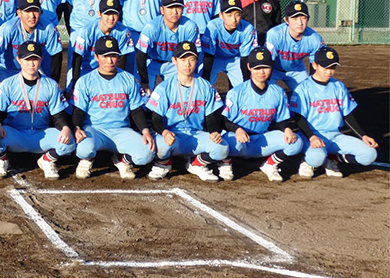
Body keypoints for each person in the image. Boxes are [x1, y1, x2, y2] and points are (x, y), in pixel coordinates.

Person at [0, 42, 76, 180]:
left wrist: (65, 128)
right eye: (27, 59)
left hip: (41, 133)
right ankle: (1, 160)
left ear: (41, 59)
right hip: (15, 133)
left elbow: (58, 115)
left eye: (35, 59)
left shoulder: (51, 85)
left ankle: (47, 160)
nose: (31, 63)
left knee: (69, 142)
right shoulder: (7, 84)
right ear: (19, 60)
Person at [71, 36, 155, 180]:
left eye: (113, 56)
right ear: (96, 57)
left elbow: (136, 110)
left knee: (146, 154)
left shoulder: (128, 79)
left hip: (121, 130)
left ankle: (122, 159)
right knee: (83, 149)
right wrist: (76, 127)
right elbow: (79, 111)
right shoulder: (85, 81)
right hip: (95, 129)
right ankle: (87, 160)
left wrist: (145, 130)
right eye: (105, 56)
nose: (110, 61)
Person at [289, 46, 378, 179]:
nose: (329, 72)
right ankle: (308, 161)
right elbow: (298, 117)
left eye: (332, 67)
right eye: (325, 67)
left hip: (336, 136)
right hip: (313, 136)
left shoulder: (338, 86)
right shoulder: (303, 88)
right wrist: (311, 136)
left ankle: (331, 158)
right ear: (315, 65)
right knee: (316, 158)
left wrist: (363, 136)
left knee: (369, 154)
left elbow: (346, 115)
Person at [146, 42, 228, 182]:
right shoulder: (164, 87)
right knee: (159, 147)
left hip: (195, 134)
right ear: (174, 61)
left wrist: (214, 132)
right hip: (173, 135)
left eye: (191, 59)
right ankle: (163, 164)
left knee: (223, 149)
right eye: (183, 60)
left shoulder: (206, 86)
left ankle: (196, 164)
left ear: (197, 60)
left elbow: (211, 118)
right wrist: (165, 132)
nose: (187, 64)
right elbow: (156, 120)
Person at [221, 48, 304, 182]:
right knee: (223, 143)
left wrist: (287, 128)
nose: (261, 72)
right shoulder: (236, 92)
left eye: (265, 67)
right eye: (257, 68)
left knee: (296, 142)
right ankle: (226, 163)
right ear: (249, 67)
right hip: (240, 140)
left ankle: (270, 164)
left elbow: (282, 118)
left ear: (271, 67)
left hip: (262, 140)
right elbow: (224, 119)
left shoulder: (278, 92)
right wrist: (237, 129)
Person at [0, 0, 63, 90]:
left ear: (40, 11)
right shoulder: (8, 28)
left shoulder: (48, 28)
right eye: (27, 11)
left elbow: (56, 55)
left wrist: (54, 83)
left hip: (34, 70)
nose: (32, 16)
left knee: (48, 92)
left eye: (35, 11)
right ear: (19, 12)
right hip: (8, 70)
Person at [136, 0, 201, 92]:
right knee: (144, 96)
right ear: (162, 10)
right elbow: (141, 55)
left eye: (178, 7)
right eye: (170, 8)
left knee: (178, 93)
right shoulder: (151, 27)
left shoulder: (190, 27)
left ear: (183, 9)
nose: (174, 12)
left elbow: (194, 55)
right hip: (151, 62)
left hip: (174, 64)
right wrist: (145, 82)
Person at [70, 0, 134, 85]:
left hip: (110, 70)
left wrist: (118, 81)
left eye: (114, 14)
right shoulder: (86, 31)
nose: (111, 18)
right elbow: (77, 57)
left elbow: (122, 59)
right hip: (87, 70)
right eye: (107, 14)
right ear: (99, 14)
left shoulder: (123, 31)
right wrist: (75, 84)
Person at [265, 1, 325, 92]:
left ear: (308, 19)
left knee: (309, 93)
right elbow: (268, 61)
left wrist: (313, 86)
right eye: (295, 18)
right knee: (268, 94)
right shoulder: (275, 34)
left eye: (303, 18)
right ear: (286, 20)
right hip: (274, 70)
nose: (300, 23)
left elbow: (315, 65)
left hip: (297, 70)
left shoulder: (314, 38)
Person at [201, 0, 258, 89]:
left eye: (237, 14)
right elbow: (208, 54)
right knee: (206, 86)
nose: (234, 19)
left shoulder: (247, 28)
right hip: (215, 58)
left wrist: (246, 80)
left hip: (235, 59)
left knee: (243, 88)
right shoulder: (213, 26)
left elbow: (245, 57)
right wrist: (206, 80)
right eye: (229, 15)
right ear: (221, 15)